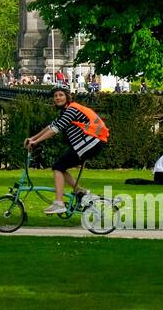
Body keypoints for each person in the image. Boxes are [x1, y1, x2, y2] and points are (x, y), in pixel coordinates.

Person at [23, 83, 110, 214]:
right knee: (60, 167)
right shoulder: (66, 111)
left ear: (67, 97)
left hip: (89, 143)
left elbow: (55, 129)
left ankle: (59, 203)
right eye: (55, 96)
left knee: (58, 167)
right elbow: (50, 126)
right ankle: (80, 191)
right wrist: (33, 138)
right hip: (87, 144)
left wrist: (36, 142)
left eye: (61, 95)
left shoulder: (71, 110)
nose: (57, 98)